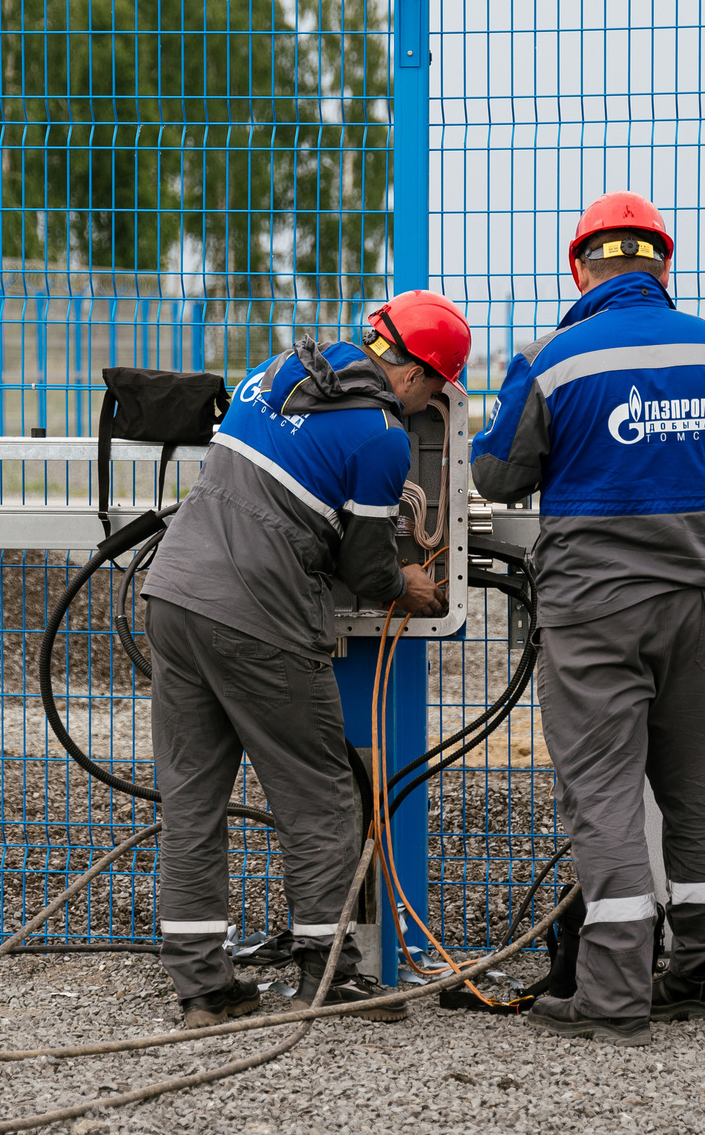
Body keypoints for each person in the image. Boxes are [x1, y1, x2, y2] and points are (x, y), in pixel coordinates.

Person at [470, 192, 705, 1045]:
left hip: (592, 616)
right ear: (663, 265)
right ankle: (704, 975)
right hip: (697, 604)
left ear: (579, 268)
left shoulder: (552, 359)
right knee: (698, 785)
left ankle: (612, 997)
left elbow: (499, 478)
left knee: (603, 793)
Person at [138, 291, 469, 1028]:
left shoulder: (280, 367)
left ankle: (204, 989)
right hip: (260, 620)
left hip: (173, 596)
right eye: (431, 393)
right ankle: (330, 979)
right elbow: (368, 565)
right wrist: (405, 584)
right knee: (320, 795)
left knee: (192, 800)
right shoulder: (382, 438)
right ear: (419, 376)